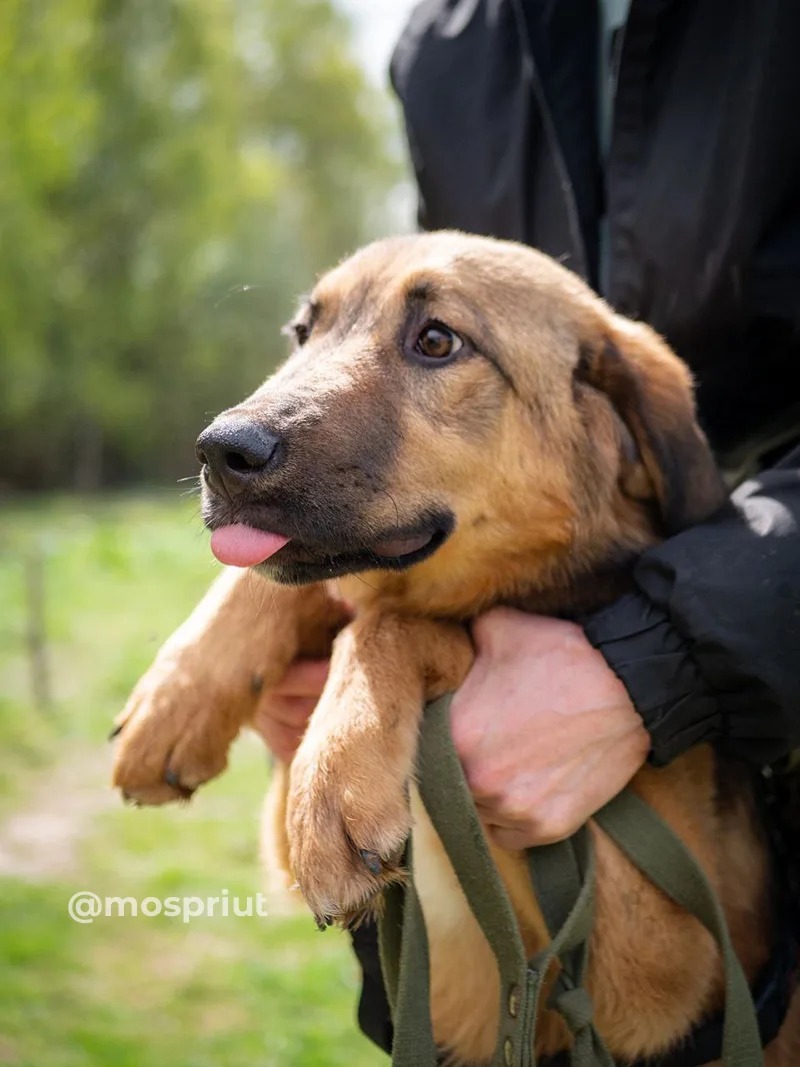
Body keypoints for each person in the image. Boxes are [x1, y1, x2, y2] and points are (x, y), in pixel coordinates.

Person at [254, 0, 800, 1054]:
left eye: (430, 339)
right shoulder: (449, 45)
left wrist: (654, 664)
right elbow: (444, 443)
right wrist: (287, 633)